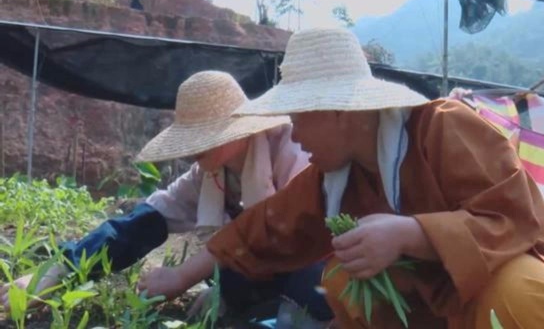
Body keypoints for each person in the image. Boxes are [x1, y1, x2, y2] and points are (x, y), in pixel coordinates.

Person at [140, 28, 544, 328]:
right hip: (444, 304)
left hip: (523, 286)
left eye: (300, 118)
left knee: (518, 295)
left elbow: (515, 221)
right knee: (343, 277)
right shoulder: (336, 176)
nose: (295, 137)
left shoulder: (446, 127)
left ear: (341, 111)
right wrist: (182, 275)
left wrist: (414, 233)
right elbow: (265, 229)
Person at [1, 71, 332, 328]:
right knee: (226, 275)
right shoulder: (210, 175)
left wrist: (183, 275)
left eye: (203, 136)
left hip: (313, 269)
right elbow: (139, 225)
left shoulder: (292, 149)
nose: (193, 149)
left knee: (312, 276)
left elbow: (280, 228)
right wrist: (59, 270)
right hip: (267, 278)